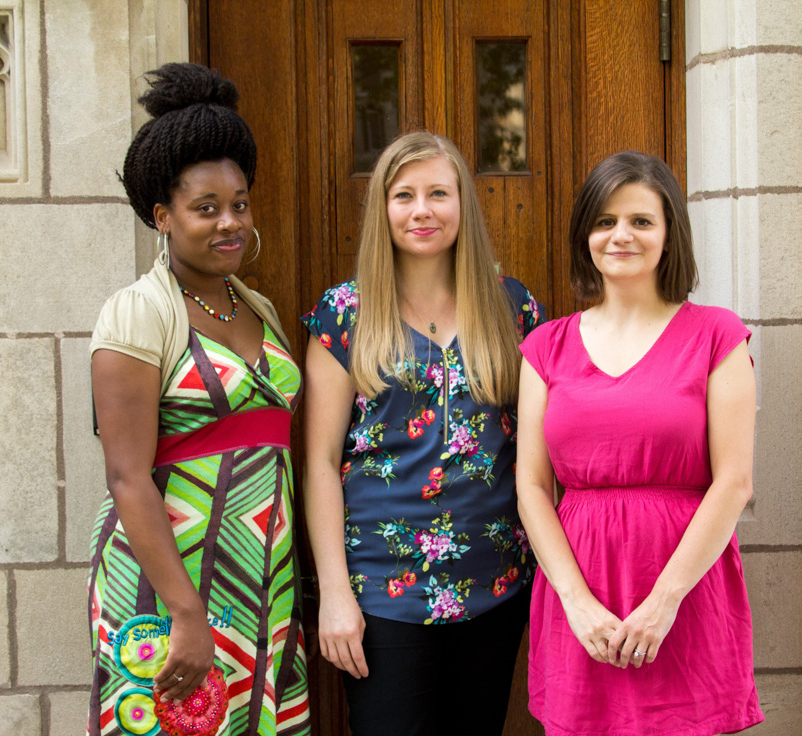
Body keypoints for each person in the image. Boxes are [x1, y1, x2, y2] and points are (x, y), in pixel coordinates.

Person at [86, 63, 310, 736]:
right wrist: (184, 612)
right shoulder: (137, 313)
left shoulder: (260, 308)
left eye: (238, 204)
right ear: (163, 215)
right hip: (169, 582)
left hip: (260, 580)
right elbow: (127, 476)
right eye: (205, 209)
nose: (229, 223)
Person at [300, 131, 545, 736]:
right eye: (403, 194)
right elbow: (320, 463)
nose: (422, 210)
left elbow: (539, 450)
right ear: (383, 208)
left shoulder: (512, 309)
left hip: (497, 584)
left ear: (463, 203)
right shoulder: (345, 314)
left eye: (439, 192)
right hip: (383, 591)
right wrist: (334, 592)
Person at [516, 151, 765, 735]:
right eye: (604, 222)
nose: (620, 235)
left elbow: (734, 482)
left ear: (669, 234)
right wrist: (577, 604)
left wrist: (663, 602)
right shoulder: (546, 347)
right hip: (580, 591)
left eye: (640, 221)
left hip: (684, 589)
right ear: (585, 236)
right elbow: (531, 486)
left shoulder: (716, 335)